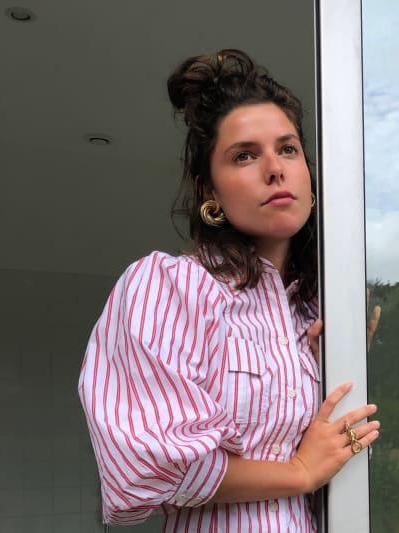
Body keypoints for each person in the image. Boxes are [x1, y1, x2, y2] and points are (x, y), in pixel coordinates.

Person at [78, 49, 380, 532]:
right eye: (244, 155)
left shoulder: (316, 308)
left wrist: (346, 371)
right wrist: (299, 472)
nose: (275, 168)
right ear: (209, 192)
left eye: (288, 149)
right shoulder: (170, 288)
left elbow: (340, 454)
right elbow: (149, 465)